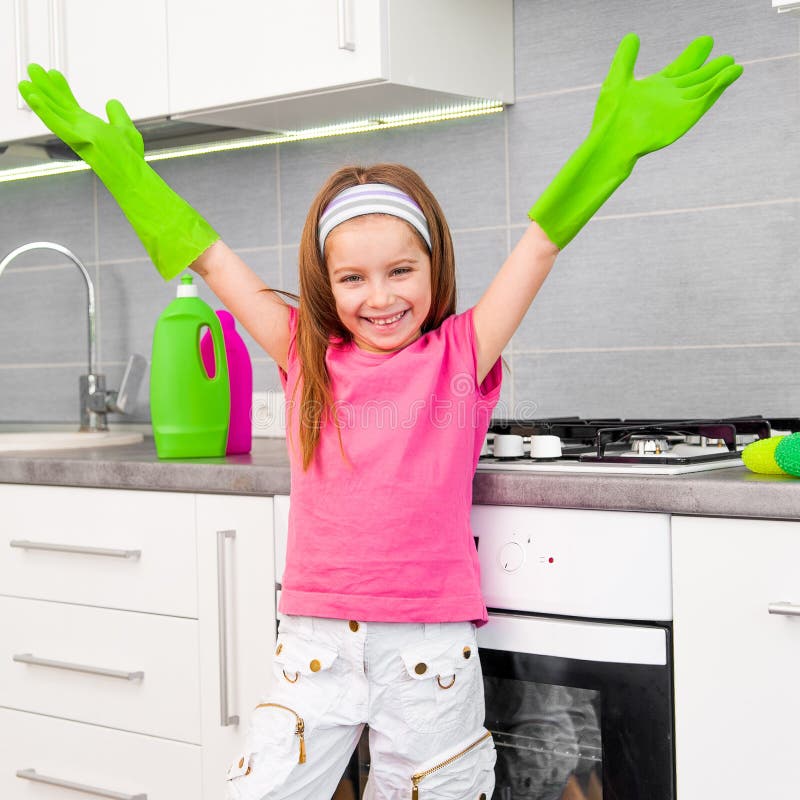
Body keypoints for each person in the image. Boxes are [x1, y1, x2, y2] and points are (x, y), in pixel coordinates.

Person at [19, 32, 742, 800]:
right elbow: (212, 260)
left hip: (428, 653)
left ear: (434, 267)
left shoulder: (461, 354)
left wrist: (607, 152)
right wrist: (127, 173)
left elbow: (537, 249)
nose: (381, 296)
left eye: (401, 269)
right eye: (354, 278)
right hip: (315, 650)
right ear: (327, 284)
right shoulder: (306, 355)